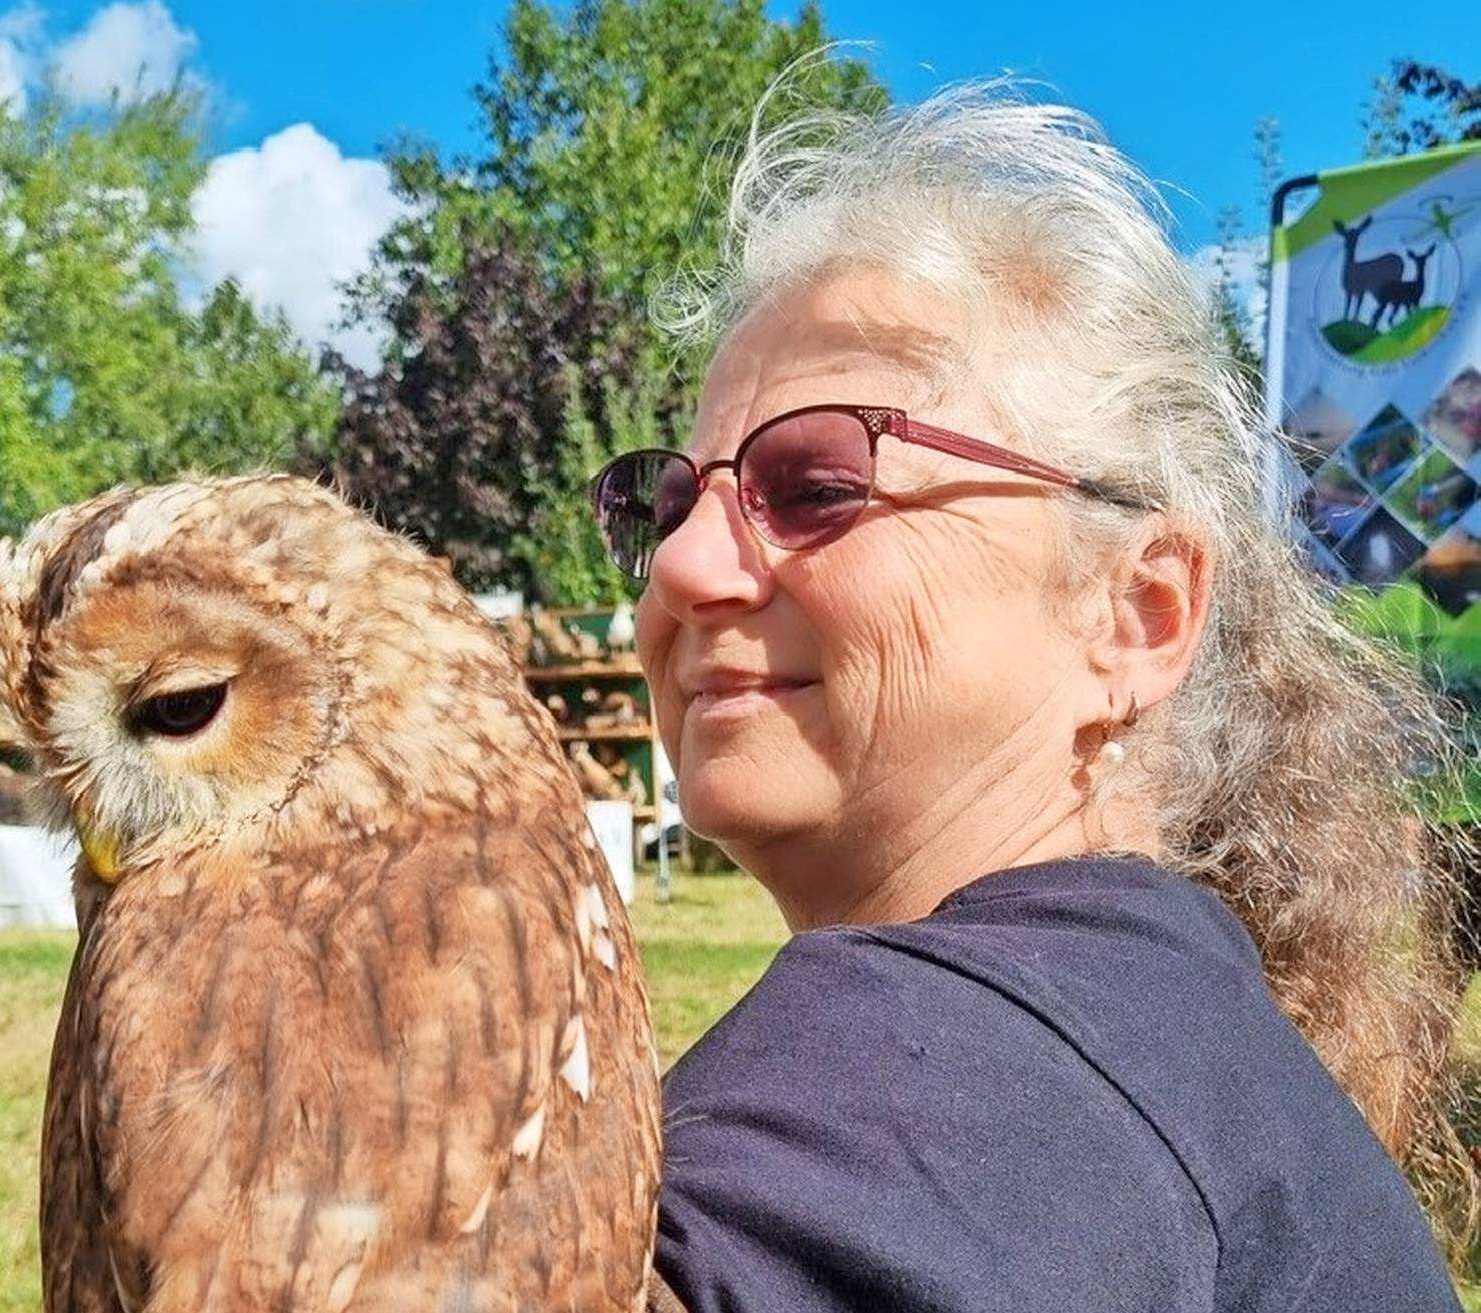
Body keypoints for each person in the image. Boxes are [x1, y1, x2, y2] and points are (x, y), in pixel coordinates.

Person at [589, 82, 1476, 1311]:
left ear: (1137, 610)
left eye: (817, 481)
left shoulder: (935, 1059)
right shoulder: (1168, 1049)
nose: (682, 566)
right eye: (664, 500)